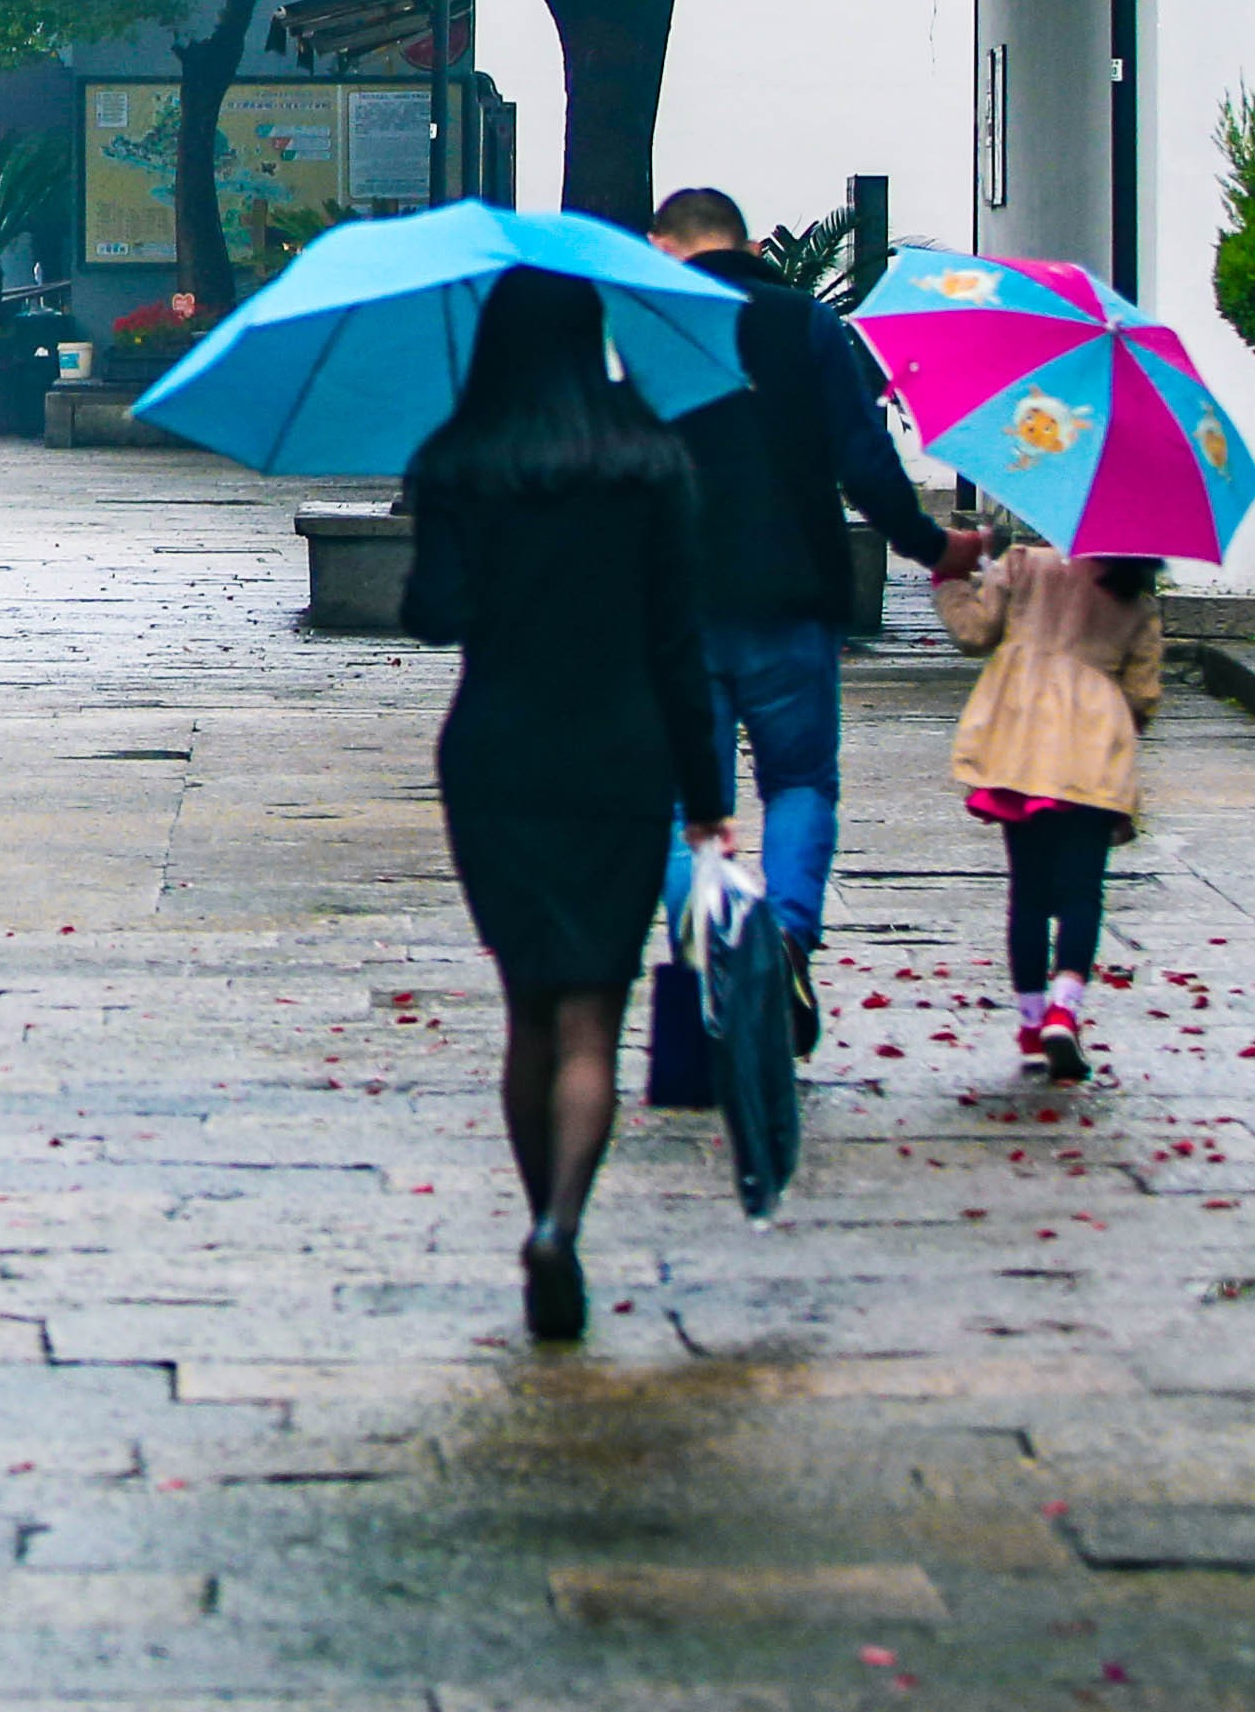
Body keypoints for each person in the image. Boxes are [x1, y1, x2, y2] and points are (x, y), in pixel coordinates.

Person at [399, 270, 733, 1348]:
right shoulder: (647, 460)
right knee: (594, 1011)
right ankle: (561, 1224)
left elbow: (431, 618)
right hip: (620, 752)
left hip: (497, 752)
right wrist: (706, 798)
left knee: (526, 1006)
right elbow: (680, 645)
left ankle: (534, 1213)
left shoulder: (459, 460)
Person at [644, 188, 983, 998]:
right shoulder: (806, 324)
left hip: (668, 606)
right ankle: (788, 935)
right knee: (797, 782)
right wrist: (934, 546)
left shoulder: (640, 329)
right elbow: (865, 458)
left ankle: (725, 952)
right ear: (754, 247)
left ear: (661, 247)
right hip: (790, 592)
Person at [937, 537, 1164, 1081]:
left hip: (1020, 741)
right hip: (1091, 750)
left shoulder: (1025, 565)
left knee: (1029, 891)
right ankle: (1066, 1007)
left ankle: (1032, 1024)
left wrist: (949, 582)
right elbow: (1144, 693)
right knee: (1084, 888)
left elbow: (975, 632)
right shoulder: (1136, 594)